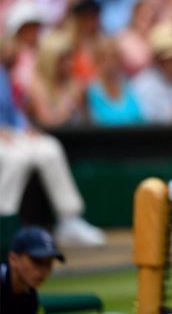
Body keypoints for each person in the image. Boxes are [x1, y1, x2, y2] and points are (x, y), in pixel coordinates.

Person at [0, 34, 106, 247]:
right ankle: (5, 222)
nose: (11, 50)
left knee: (49, 148)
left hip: (12, 134)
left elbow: (13, 111)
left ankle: (69, 220)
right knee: (18, 159)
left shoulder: (3, 72)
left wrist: (25, 127)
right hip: (5, 138)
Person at [1, 226, 65, 314]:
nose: (43, 270)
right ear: (13, 259)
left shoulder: (29, 297)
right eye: (37, 261)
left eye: (48, 263)